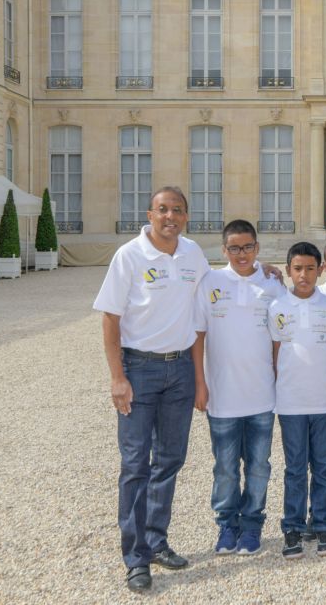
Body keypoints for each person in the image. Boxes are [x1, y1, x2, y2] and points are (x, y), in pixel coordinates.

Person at [93, 186, 209, 593]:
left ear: (186, 217)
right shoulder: (130, 255)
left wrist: (268, 272)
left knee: (171, 459)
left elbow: (216, 293)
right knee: (135, 464)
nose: (170, 217)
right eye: (163, 210)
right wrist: (116, 377)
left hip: (178, 369)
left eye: (177, 210)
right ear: (150, 213)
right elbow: (110, 318)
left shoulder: (193, 254)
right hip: (138, 369)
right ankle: (136, 557)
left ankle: (156, 540)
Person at [192, 219, 281, 558]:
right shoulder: (210, 281)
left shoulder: (273, 284)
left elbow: (282, 339)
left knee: (259, 467)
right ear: (223, 250)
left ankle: (253, 524)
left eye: (247, 247)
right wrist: (200, 383)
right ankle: (227, 523)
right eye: (234, 248)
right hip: (222, 396)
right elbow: (198, 335)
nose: (241, 254)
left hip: (262, 395)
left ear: (257, 249)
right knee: (225, 468)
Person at [270, 241, 326, 558]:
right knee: (295, 469)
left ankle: (324, 525)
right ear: (288, 271)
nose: (303, 275)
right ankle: (293, 527)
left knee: (325, 468)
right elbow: (274, 356)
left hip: (325, 403)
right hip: (291, 404)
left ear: (320, 270)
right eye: (297, 269)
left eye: (310, 268)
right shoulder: (277, 308)